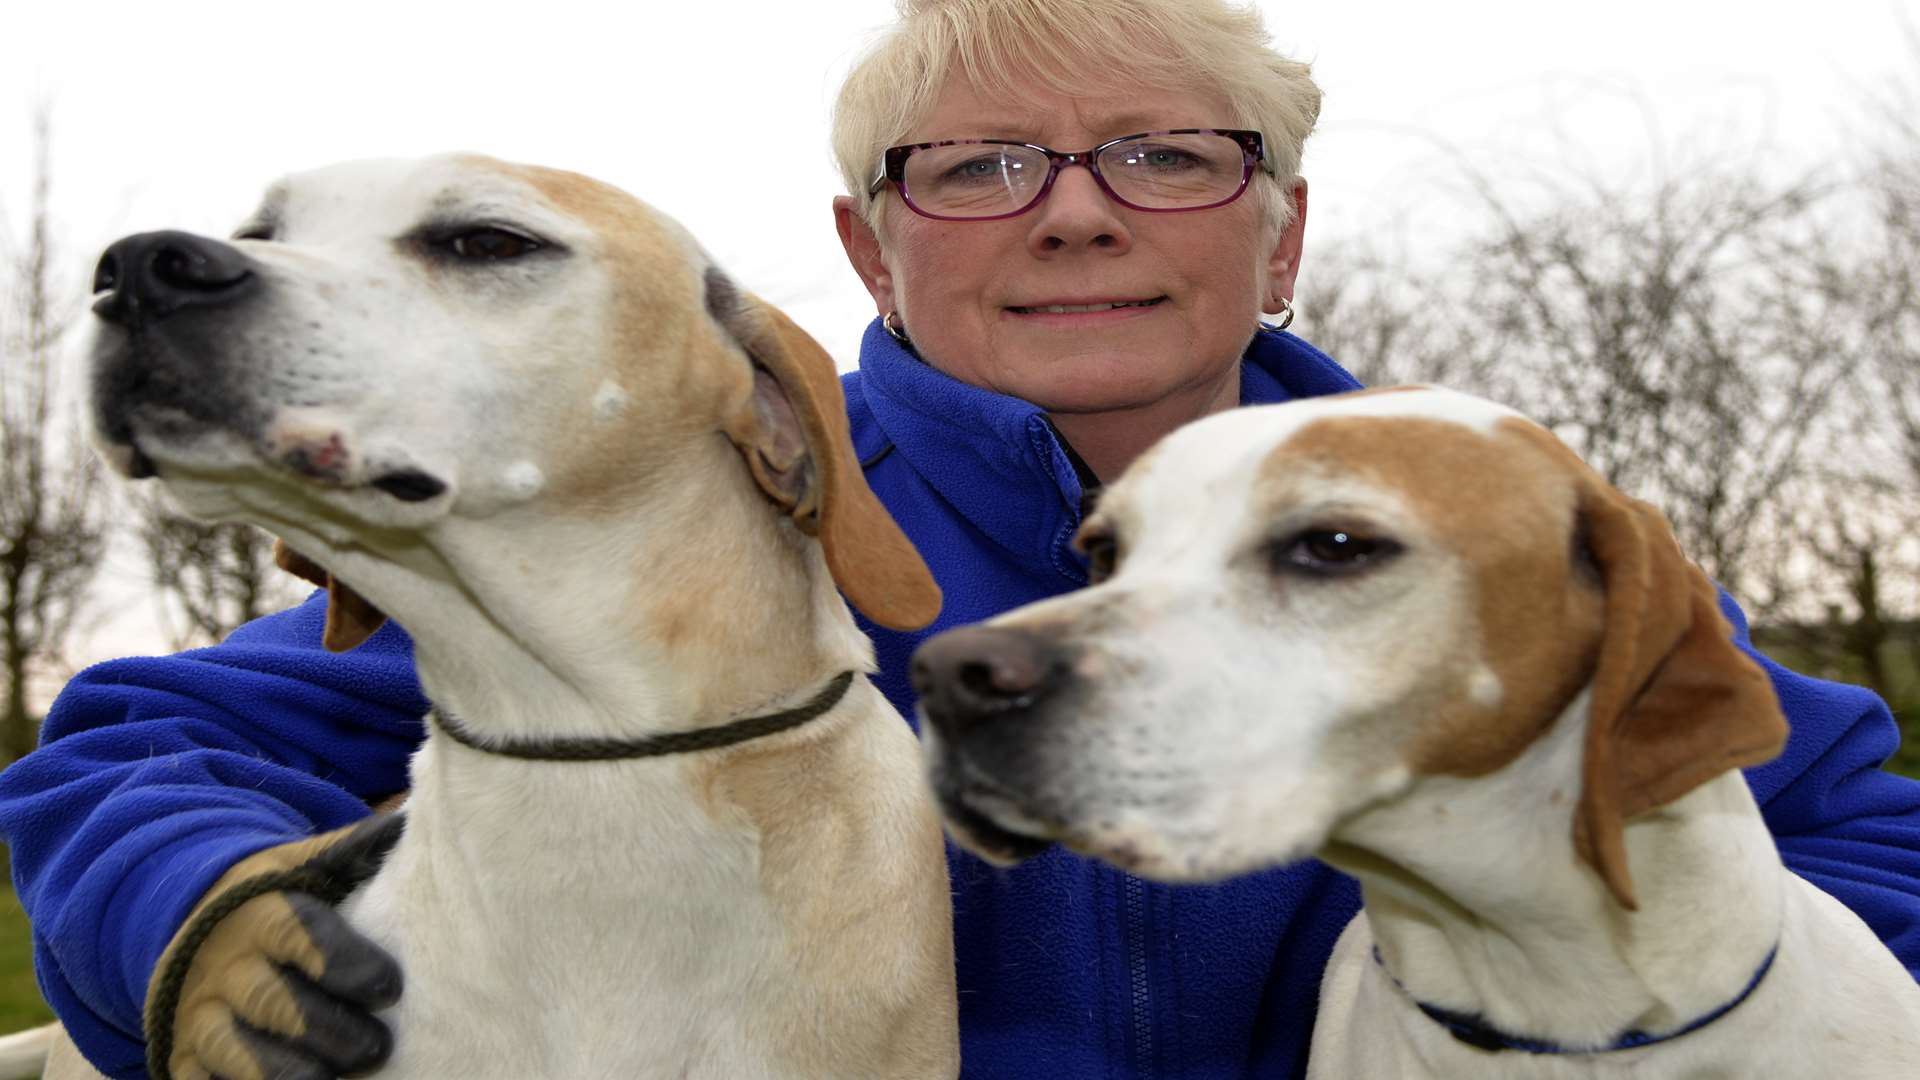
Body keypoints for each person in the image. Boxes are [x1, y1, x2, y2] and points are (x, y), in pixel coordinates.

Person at [5, 1, 1919, 1077]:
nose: (1076, 217)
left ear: (1284, 234)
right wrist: (190, 922)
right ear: (868, 245)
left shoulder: (1474, 540)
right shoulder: (696, 536)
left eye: (1169, 156)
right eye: (982, 169)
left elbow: (1828, 812)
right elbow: (153, 746)